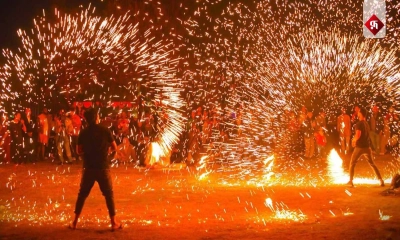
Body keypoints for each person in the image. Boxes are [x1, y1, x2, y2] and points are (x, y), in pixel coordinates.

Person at [70, 108, 122, 231]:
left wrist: (88, 152)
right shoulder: (105, 130)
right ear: (97, 117)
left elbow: (78, 151)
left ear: (86, 119)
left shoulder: (83, 132)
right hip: (103, 167)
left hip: (88, 167)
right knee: (109, 194)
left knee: (82, 195)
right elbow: (114, 147)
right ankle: (114, 222)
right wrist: (106, 150)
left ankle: (74, 222)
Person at [347, 108, 385, 187]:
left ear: (361, 114)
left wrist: (353, 140)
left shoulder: (359, 124)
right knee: (372, 164)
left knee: (352, 163)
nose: (357, 113)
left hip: (360, 147)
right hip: (367, 148)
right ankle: (381, 180)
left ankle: (350, 181)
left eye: (359, 112)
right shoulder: (366, 124)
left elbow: (358, 135)